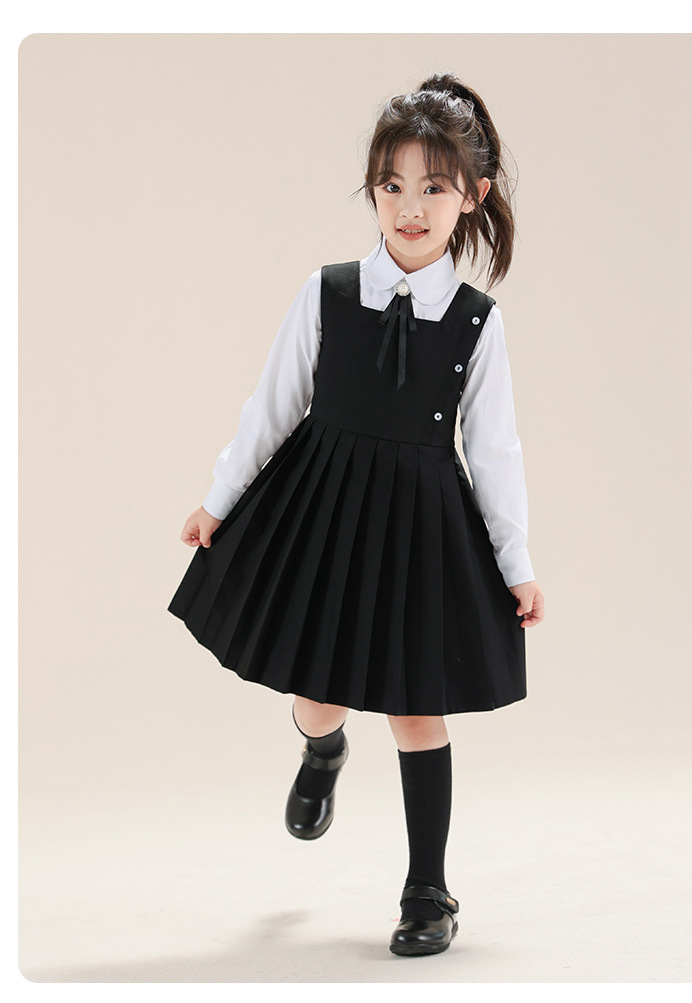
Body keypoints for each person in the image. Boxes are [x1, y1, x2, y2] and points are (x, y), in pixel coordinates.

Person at [168, 71, 545, 957]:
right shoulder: (328, 292)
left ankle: (428, 889)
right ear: (372, 188)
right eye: (392, 185)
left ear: (473, 195)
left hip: (421, 526)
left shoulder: (478, 323)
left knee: (417, 709)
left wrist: (517, 563)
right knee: (320, 695)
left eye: (434, 188)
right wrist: (219, 498)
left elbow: (495, 451)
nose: (410, 208)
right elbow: (272, 405)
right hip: (326, 507)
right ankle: (323, 750)